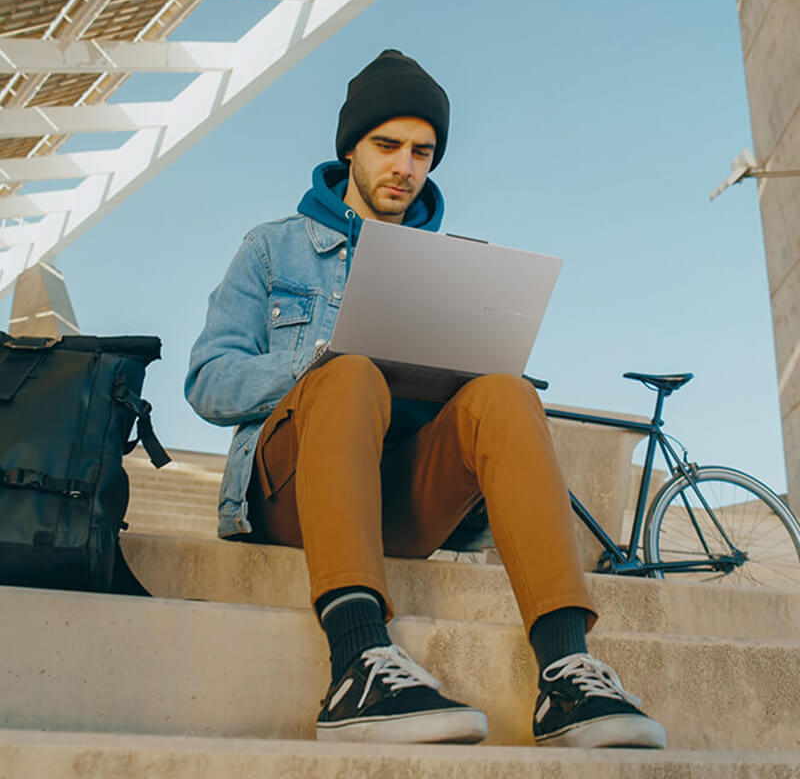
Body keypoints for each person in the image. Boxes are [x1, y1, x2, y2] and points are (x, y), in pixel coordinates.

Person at [185, 48, 666, 749]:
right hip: (292, 495)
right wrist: (316, 363)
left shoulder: (449, 269)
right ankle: (356, 663)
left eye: (422, 151)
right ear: (350, 146)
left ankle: (567, 671)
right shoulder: (272, 250)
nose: (404, 167)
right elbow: (208, 379)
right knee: (349, 375)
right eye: (387, 146)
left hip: (400, 504)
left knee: (505, 393)